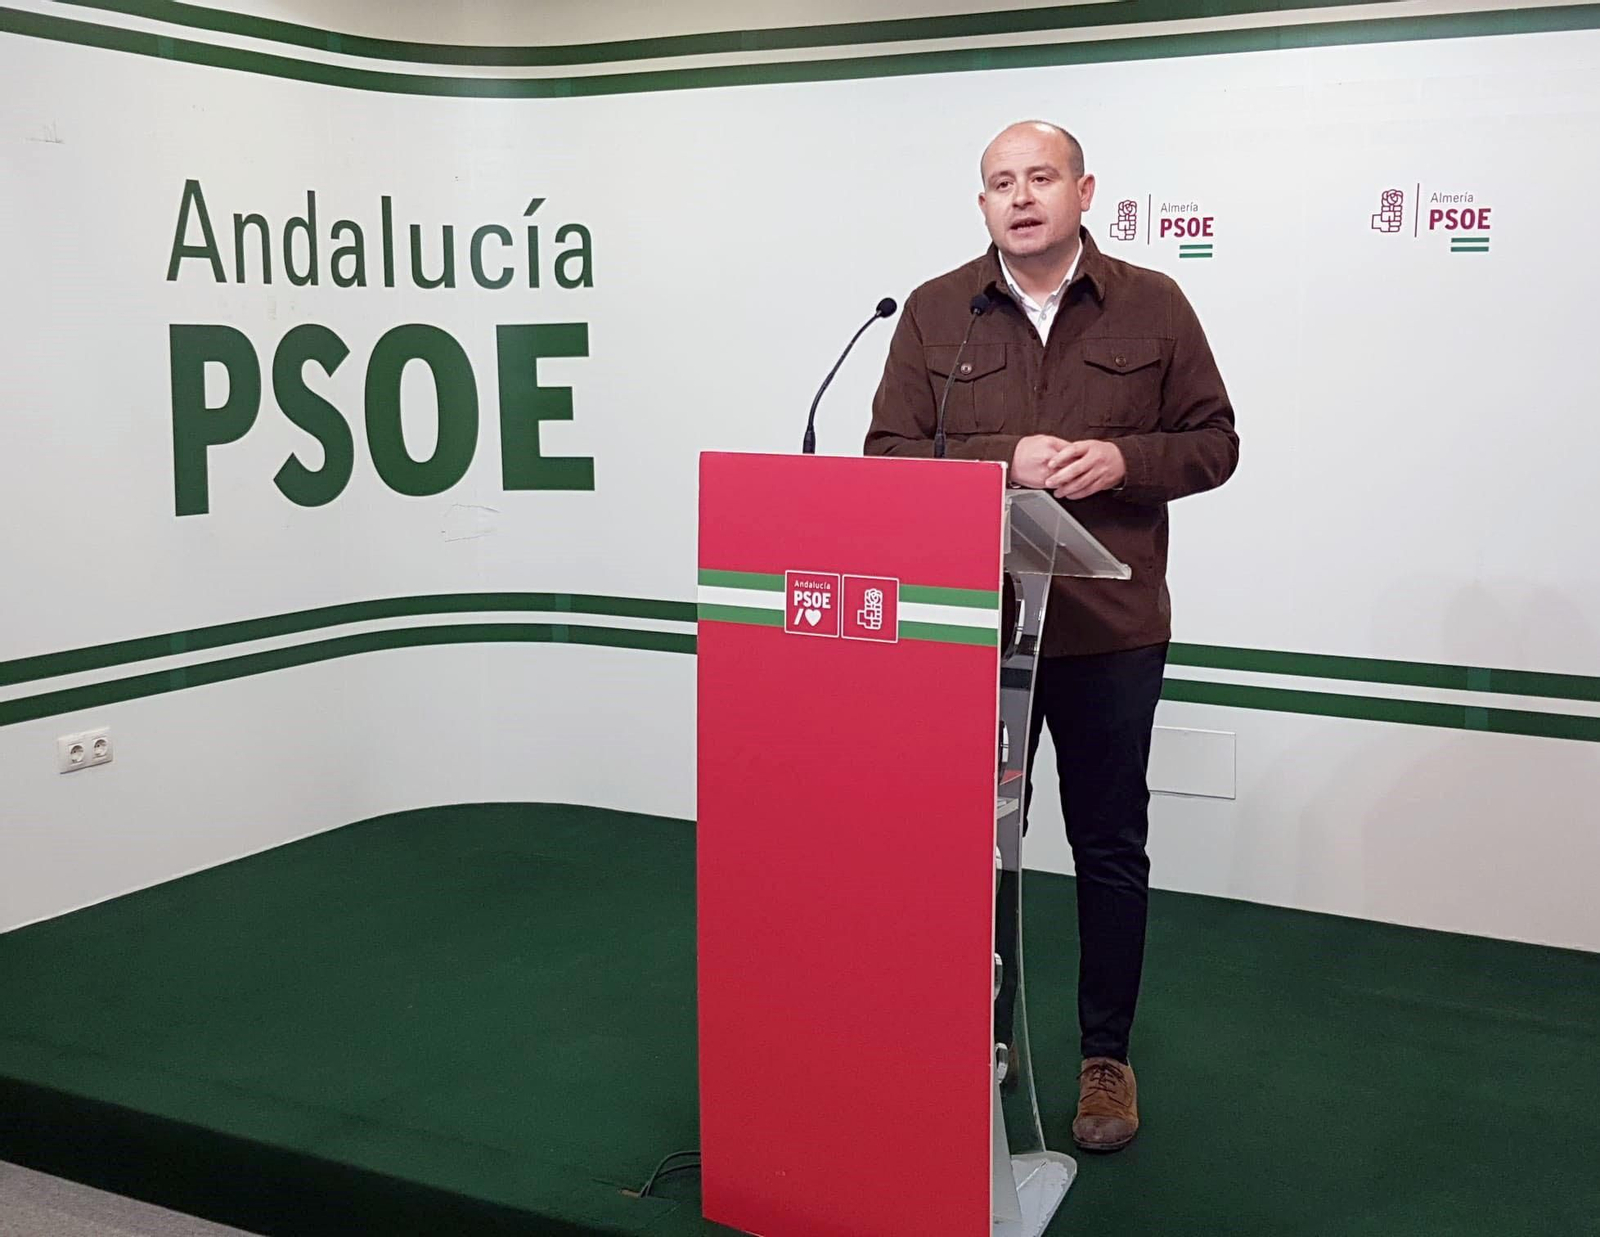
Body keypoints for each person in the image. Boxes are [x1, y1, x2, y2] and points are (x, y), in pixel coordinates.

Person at [864, 120, 1239, 1152]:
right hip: (974, 629)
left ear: (1084, 191)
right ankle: (978, 1033)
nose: (1021, 197)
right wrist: (1003, 458)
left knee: (1107, 842)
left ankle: (1105, 1057)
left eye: (1040, 178)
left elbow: (1215, 442)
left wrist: (1124, 461)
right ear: (982, 203)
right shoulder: (936, 310)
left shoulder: (1153, 304)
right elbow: (886, 453)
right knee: (971, 844)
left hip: (1110, 629)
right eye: (1001, 182)